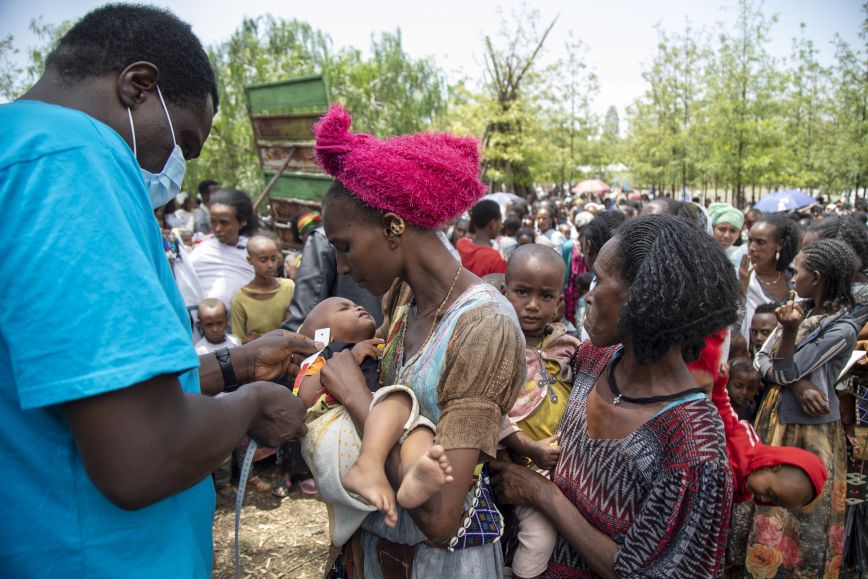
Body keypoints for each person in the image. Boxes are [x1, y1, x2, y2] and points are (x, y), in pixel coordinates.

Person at [0, 5, 314, 575]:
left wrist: (232, 366)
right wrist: (249, 408)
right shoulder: (74, 162)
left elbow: (77, 383)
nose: (172, 173)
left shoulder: (17, 149)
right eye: (182, 145)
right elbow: (140, 456)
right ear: (138, 87)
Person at [310, 104, 525, 577]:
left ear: (393, 227)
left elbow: (441, 517)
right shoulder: (403, 297)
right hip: (380, 552)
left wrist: (356, 397)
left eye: (344, 246)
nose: (341, 269)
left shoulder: (485, 326)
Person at [491, 214, 739, 577]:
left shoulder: (693, 448)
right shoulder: (590, 362)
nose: (587, 295)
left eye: (599, 280)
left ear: (645, 298)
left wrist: (542, 495)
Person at [729, 239, 859, 577]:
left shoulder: (842, 328)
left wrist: (787, 342)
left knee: (801, 511)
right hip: (777, 415)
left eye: (797, 270)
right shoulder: (798, 308)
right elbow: (761, 360)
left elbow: (783, 369)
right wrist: (799, 384)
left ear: (815, 277)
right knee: (766, 493)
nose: (792, 276)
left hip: (810, 430)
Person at [294, 297, 454, 544]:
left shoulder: (378, 345)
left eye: (354, 304)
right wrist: (350, 356)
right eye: (344, 308)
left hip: (376, 424)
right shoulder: (324, 356)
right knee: (401, 400)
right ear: (322, 335)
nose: (357, 306)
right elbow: (304, 396)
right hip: (343, 429)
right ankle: (373, 466)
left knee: (419, 427)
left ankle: (414, 477)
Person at [499, 245, 580, 579]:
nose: (532, 305)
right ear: (504, 293)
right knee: (539, 536)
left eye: (545, 296)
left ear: (559, 302)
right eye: (521, 292)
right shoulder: (498, 344)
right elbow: (487, 408)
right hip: (516, 462)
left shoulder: (568, 347)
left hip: (562, 464)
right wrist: (527, 447)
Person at [282, 224, 384, 333]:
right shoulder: (387, 233)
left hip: (339, 344)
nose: (342, 269)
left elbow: (304, 316)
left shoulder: (323, 238)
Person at [189, 188, 257, 314]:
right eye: (213, 222)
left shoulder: (255, 252)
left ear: (242, 222)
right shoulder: (200, 253)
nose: (218, 228)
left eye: (224, 223)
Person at [738, 213, 801, 341]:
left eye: (760, 242)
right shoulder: (739, 276)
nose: (752, 248)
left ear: (780, 244)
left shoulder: (795, 277)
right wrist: (741, 290)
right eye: (749, 240)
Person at [230, 235, 295, 343]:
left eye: (274, 259)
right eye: (263, 260)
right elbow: (237, 339)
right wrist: (249, 341)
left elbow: (297, 326)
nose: (270, 265)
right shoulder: (240, 298)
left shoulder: (289, 288)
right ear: (249, 260)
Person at [456, 199, 508, 277]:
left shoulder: (461, 243)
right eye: (500, 222)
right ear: (493, 223)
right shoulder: (497, 259)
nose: (501, 226)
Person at [708, 202, 747, 268]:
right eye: (722, 229)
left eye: (733, 231)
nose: (726, 235)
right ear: (712, 228)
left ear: (739, 233)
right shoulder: (701, 255)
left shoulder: (742, 257)